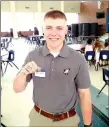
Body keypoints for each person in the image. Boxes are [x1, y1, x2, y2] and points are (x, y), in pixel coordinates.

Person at [13, 10, 92, 127]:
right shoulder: (32, 56)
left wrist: (88, 125)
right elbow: (17, 89)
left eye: (59, 28)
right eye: (49, 27)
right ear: (43, 30)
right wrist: (23, 72)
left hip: (68, 121)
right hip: (38, 119)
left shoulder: (78, 58)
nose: (53, 33)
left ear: (66, 30)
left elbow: (84, 94)